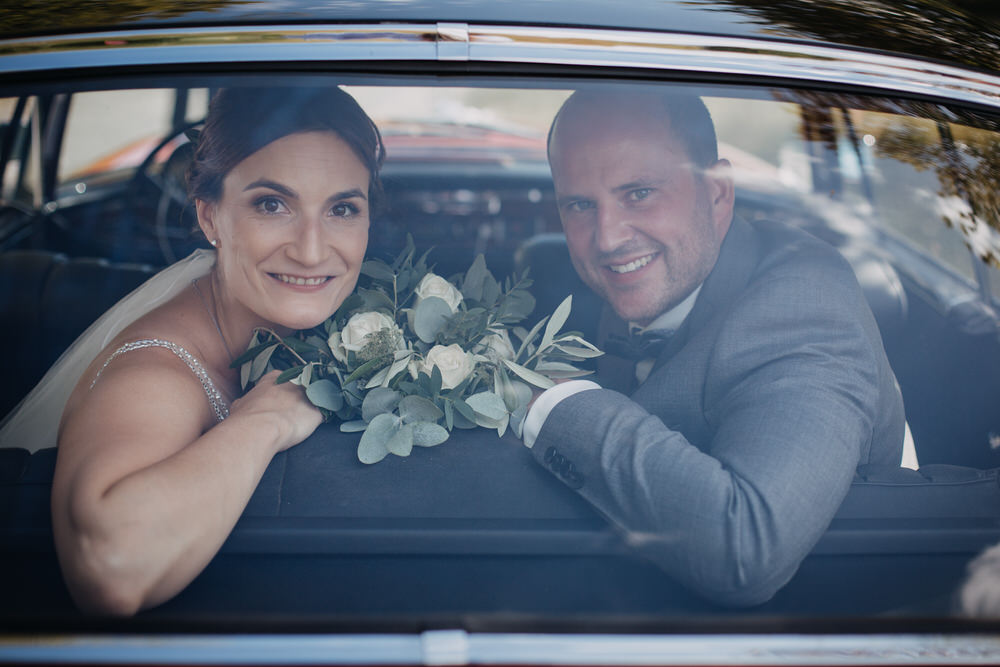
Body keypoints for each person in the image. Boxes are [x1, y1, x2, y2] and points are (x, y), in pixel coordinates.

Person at [521, 89, 906, 606]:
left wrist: (554, 402)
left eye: (639, 193)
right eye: (580, 204)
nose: (608, 238)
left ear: (719, 194)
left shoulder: (801, 310)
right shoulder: (656, 273)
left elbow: (744, 550)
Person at [20, 86, 384, 615]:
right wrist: (266, 421)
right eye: (271, 204)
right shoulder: (153, 375)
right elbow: (110, 567)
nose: (311, 250)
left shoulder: (327, 321)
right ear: (210, 218)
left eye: (342, 209)